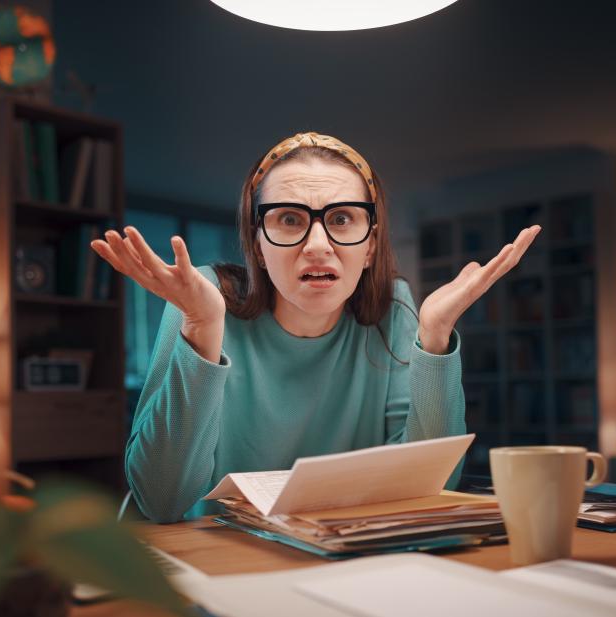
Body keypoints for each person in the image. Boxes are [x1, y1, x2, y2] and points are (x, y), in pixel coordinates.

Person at [91, 132, 541, 523]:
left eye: (342, 219)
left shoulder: (394, 309)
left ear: (370, 245)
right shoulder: (202, 301)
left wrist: (436, 337)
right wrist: (201, 328)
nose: (318, 245)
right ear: (258, 244)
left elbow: (433, 485)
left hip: (343, 562)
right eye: (290, 220)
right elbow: (162, 501)